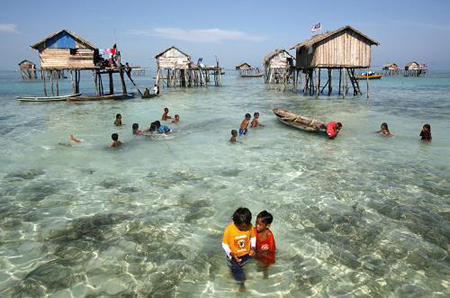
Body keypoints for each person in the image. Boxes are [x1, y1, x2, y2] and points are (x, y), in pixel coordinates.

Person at [222, 207, 256, 292]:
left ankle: (239, 273)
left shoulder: (250, 226)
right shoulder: (229, 230)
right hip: (234, 255)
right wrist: (231, 253)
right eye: (243, 227)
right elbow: (224, 244)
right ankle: (241, 283)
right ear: (236, 224)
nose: (245, 229)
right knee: (236, 269)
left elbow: (253, 237)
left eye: (247, 226)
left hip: (247, 253)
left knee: (246, 264)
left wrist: (253, 247)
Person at [254, 211, 276, 279]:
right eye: (256, 223)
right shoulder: (254, 230)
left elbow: (272, 249)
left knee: (264, 266)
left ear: (267, 226)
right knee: (257, 265)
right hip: (257, 252)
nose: (257, 226)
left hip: (266, 255)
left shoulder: (269, 235)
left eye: (260, 224)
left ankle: (265, 274)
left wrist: (267, 249)